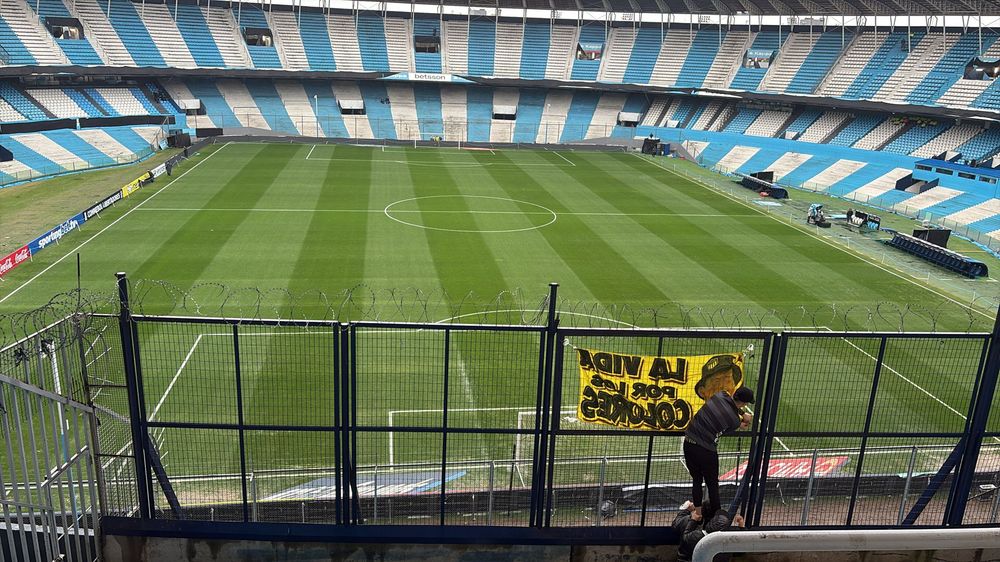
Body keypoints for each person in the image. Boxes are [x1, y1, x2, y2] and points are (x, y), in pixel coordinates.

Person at [683, 385, 754, 515]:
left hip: (688, 443)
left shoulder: (720, 395)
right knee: (712, 485)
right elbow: (733, 425)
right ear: (744, 403)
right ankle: (716, 519)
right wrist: (743, 418)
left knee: (697, 480)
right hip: (706, 450)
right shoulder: (734, 421)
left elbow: (729, 406)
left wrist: (742, 414)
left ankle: (697, 514)